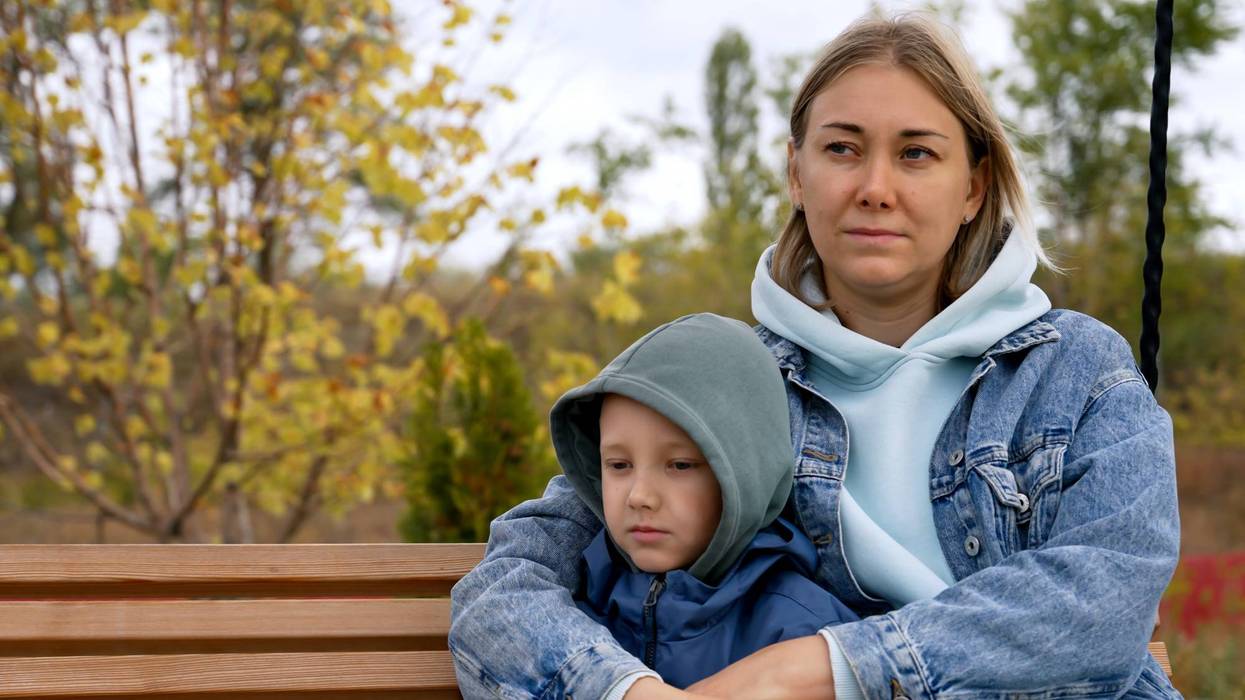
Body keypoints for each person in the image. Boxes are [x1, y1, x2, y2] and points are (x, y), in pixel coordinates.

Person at [449, 13, 1180, 700]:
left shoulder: (1073, 372)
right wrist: (626, 689)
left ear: (974, 187)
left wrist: (822, 667)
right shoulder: (725, 384)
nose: (875, 189)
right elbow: (507, 586)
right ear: (797, 175)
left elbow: (1105, 600)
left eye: (916, 153)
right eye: (842, 149)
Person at [544, 313, 857, 692]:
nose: (640, 496)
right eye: (619, 465)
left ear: (747, 475)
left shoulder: (802, 632)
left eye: (679, 465)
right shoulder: (574, 599)